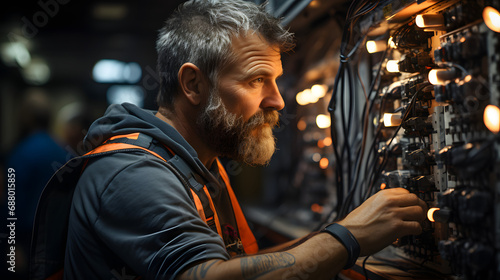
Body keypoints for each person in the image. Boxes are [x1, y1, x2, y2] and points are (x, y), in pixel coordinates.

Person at [54, 0, 427, 279]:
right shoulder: (134, 172)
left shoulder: (194, 161)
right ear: (193, 84)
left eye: (276, 80)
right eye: (255, 80)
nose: (278, 100)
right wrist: (347, 239)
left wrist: (337, 234)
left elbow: (234, 264)